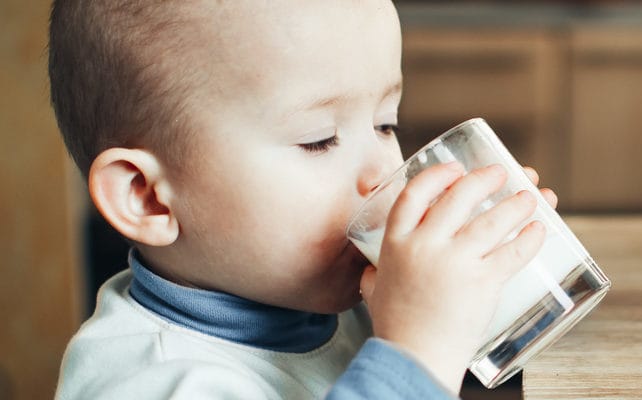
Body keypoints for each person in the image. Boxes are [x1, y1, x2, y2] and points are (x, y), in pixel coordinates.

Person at [49, 0, 558, 398]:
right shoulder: (159, 382)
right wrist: (418, 353)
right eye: (318, 139)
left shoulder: (323, 298)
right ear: (147, 199)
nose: (385, 172)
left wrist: (475, 297)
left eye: (385, 124)